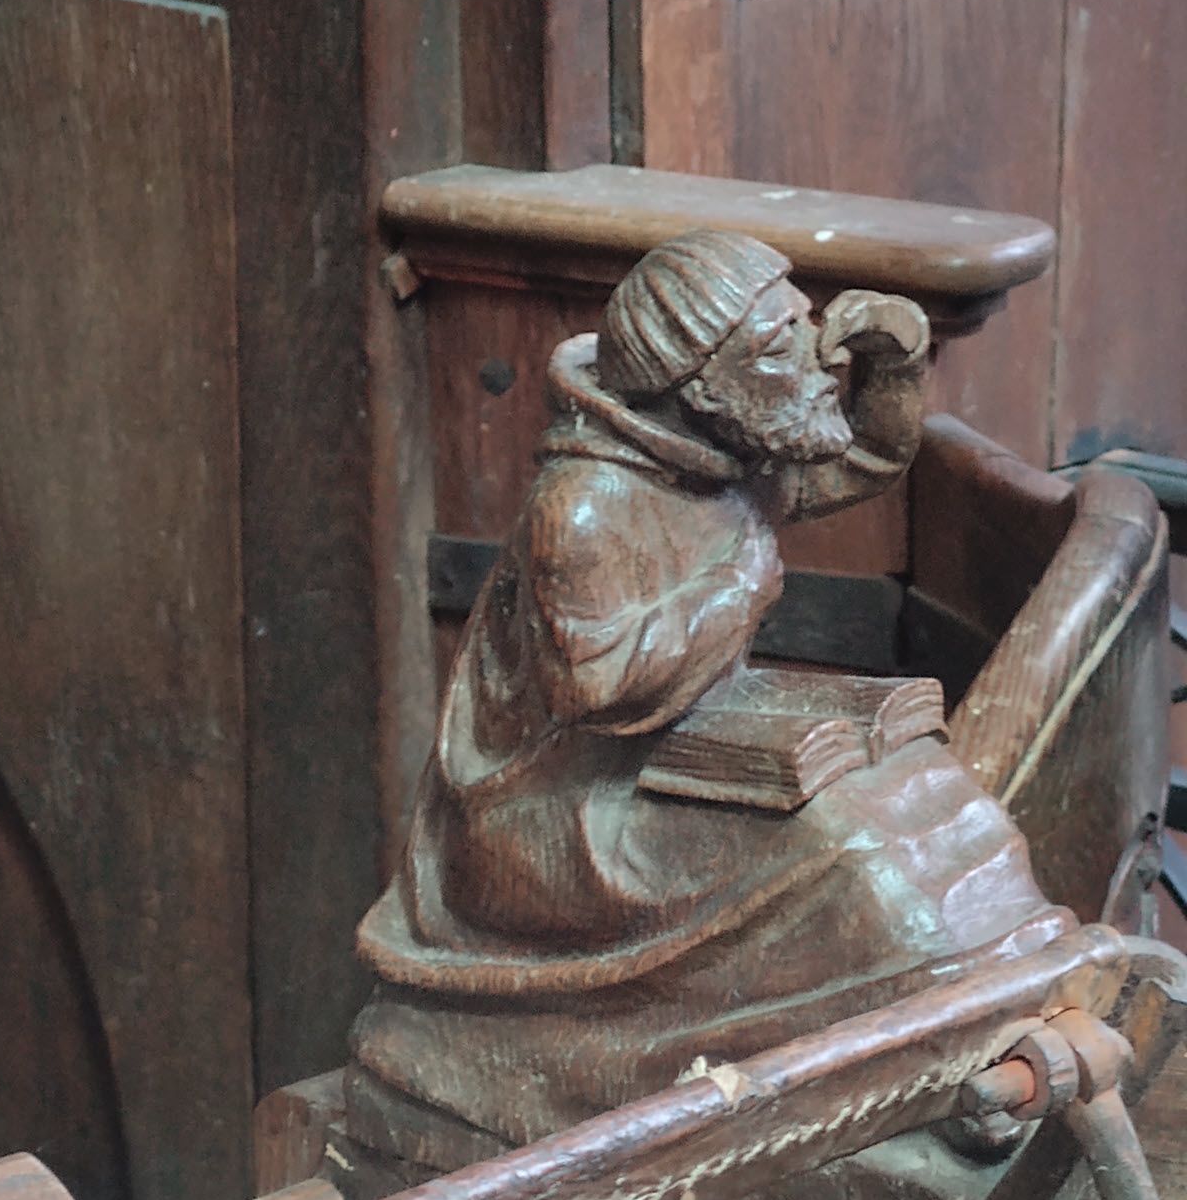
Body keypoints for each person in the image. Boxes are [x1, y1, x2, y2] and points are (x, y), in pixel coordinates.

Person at [352, 231, 1070, 1151]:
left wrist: (890, 369)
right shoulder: (587, 506)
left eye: (807, 330)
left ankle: (1008, 985)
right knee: (852, 858)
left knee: (927, 792)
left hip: (667, 753)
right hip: (563, 815)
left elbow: (859, 462)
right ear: (701, 386)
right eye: (782, 352)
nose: (817, 365)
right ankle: (928, 1070)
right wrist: (744, 584)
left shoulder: (720, 446)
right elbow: (595, 686)